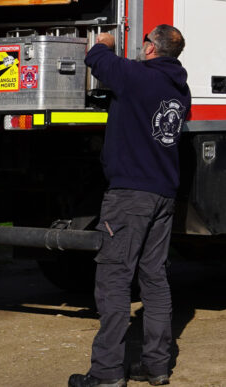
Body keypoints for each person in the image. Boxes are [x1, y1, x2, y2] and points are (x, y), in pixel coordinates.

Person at [69, 25, 190, 387]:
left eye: (144, 43)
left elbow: (97, 59)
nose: (140, 48)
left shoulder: (136, 77)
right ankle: (156, 366)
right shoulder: (180, 91)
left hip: (129, 197)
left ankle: (106, 374)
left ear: (152, 48)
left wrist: (105, 41)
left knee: (114, 279)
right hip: (163, 195)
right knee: (154, 279)